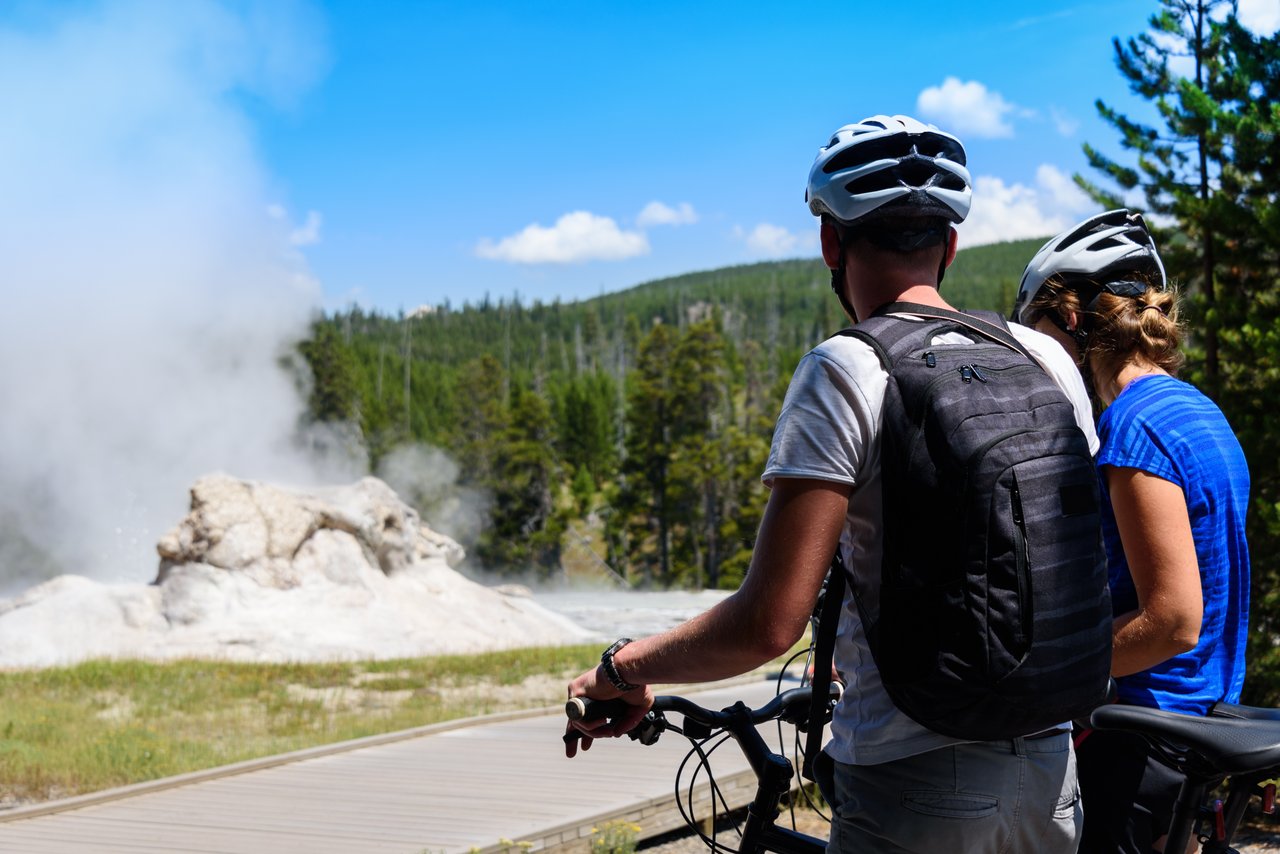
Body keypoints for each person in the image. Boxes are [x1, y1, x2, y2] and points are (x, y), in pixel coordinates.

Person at [565, 115, 1098, 853]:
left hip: (912, 776)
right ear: (949, 244)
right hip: (1051, 774)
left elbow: (767, 624)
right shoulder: (1045, 356)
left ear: (830, 243)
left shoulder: (846, 368)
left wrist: (620, 667)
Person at [1011, 209, 1252, 854]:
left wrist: (1041, 676)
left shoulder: (1133, 427)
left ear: (1068, 319)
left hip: (1139, 737)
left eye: (1036, 335)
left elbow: (1173, 619)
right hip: (1191, 732)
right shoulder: (1198, 412)